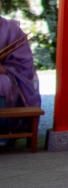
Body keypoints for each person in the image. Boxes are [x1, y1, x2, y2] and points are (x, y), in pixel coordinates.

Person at [0, 13, 39, 146]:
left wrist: (4, 69)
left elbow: (23, 63)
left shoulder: (11, 29)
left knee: (2, 84)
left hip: (3, 74)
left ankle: (3, 135)